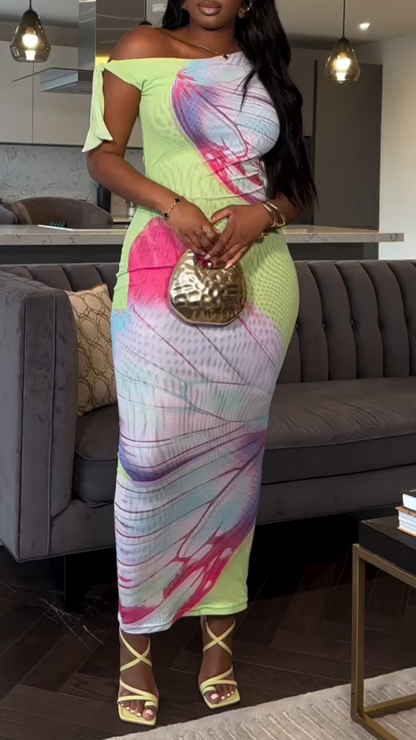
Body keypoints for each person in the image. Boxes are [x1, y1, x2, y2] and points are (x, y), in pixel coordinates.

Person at [84, 0, 316, 728]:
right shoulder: (140, 46)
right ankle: (138, 643)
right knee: (149, 459)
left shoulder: (268, 68)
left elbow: (296, 188)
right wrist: (172, 204)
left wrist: (262, 215)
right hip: (161, 267)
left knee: (234, 460)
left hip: (262, 277)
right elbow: (101, 156)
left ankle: (220, 644)